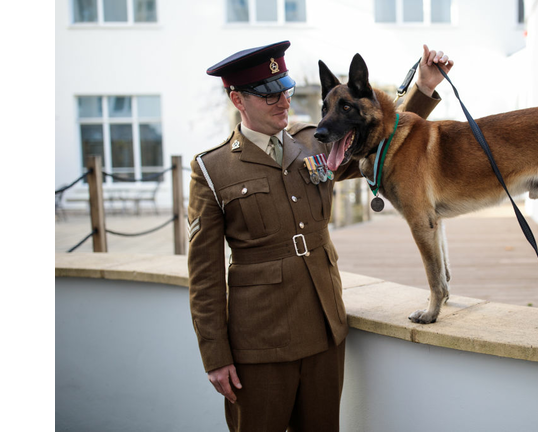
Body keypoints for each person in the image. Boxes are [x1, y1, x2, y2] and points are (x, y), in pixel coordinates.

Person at [188, 41, 453, 431]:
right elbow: (205, 276)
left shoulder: (316, 145)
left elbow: (382, 131)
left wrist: (425, 88)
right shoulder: (213, 170)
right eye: (268, 94)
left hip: (325, 332)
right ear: (238, 99)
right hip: (260, 344)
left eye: (286, 88)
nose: (283, 101)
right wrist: (215, 355)